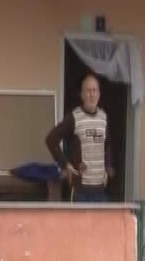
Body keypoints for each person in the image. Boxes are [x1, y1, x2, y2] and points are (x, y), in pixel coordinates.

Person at [45, 72, 114, 202]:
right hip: (80, 190)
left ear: (99, 93)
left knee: (99, 223)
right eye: (88, 91)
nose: (92, 94)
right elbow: (51, 140)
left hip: (100, 188)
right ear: (82, 94)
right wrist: (66, 165)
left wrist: (107, 168)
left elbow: (108, 145)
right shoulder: (74, 117)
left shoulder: (103, 117)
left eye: (95, 90)